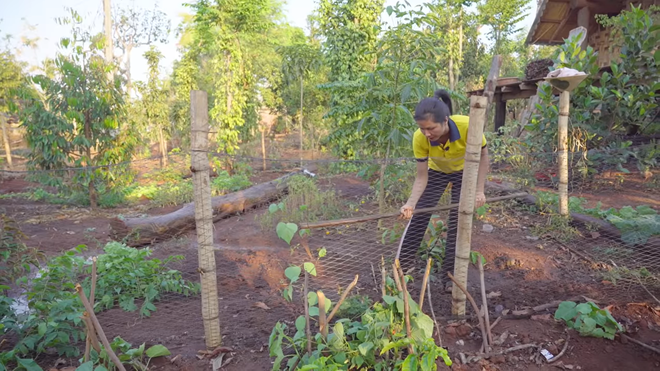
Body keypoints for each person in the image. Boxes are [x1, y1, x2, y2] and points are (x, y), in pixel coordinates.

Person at [398, 90, 489, 290]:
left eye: (431, 128)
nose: (426, 134)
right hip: (436, 172)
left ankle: (450, 277)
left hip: (464, 173)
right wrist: (410, 203)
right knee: (420, 214)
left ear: (445, 120)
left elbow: (484, 158)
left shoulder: (468, 126)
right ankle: (403, 268)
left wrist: (479, 190)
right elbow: (422, 176)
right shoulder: (419, 138)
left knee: (458, 219)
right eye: (422, 129)